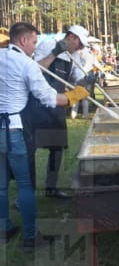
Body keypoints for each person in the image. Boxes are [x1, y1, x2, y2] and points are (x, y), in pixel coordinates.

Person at [0, 22, 88, 251]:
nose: (34, 47)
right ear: (23, 41)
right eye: (33, 42)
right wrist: (75, 96)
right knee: (25, 186)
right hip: (16, 129)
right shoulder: (26, 64)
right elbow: (50, 98)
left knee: (0, 186)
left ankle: (4, 229)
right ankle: (30, 239)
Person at [22, 25, 94, 199]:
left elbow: (78, 81)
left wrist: (89, 79)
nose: (81, 48)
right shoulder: (47, 44)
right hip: (37, 105)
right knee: (30, 150)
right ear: (71, 37)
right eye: (79, 44)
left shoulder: (74, 55)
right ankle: (27, 193)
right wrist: (55, 52)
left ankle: (51, 188)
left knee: (57, 149)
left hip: (58, 104)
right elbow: (34, 69)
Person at [70, 46, 103, 119]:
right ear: (94, 50)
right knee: (85, 97)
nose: (97, 53)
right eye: (97, 52)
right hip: (85, 77)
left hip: (77, 76)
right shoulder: (91, 56)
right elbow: (98, 66)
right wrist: (103, 70)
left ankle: (73, 114)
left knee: (77, 96)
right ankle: (85, 114)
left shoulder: (80, 53)